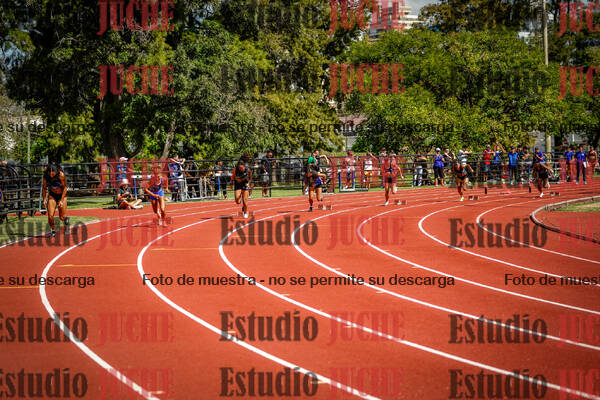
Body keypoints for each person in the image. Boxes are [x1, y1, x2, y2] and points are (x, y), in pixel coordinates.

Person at [42, 164, 69, 237]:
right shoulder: (46, 176)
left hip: (62, 195)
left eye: (53, 174)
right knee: (50, 215)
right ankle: (53, 231)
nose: (51, 175)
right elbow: (44, 188)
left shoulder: (61, 175)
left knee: (62, 217)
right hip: (52, 195)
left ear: (56, 172)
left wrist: (61, 200)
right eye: (50, 174)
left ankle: (66, 221)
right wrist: (44, 199)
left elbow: (65, 188)